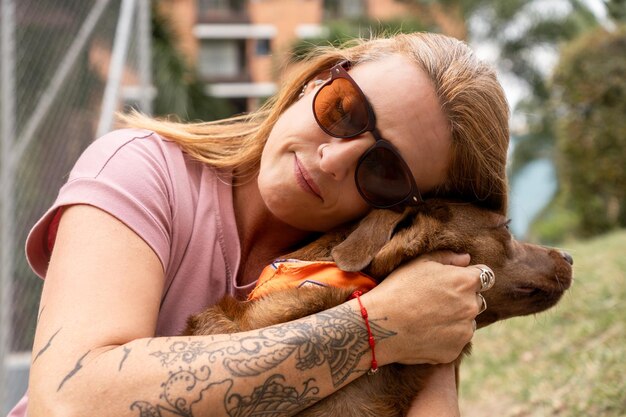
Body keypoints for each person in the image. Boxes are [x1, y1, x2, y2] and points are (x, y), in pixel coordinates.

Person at [9, 32, 509, 417]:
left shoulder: (387, 278)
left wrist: (437, 329)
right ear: (318, 77)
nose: (332, 158)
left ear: (406, 208)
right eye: (342, 109)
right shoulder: (142, 169)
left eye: (384, 171)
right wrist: (379, 328)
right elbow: (71, 399)